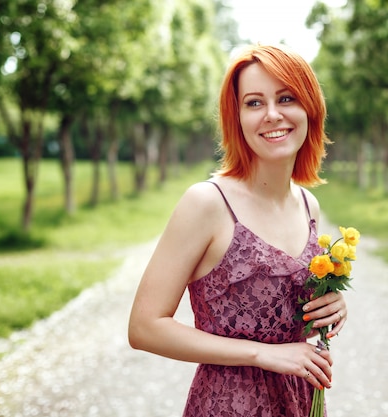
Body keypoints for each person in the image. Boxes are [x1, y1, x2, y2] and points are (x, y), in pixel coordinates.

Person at [128, 44, 348, 417]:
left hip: (298, 401)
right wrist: (264, 355)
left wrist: (330, 309)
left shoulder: (309, 205)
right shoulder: (207, 204)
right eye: (254, 103)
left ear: (310, 108)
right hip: (229, 406)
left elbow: (281, 324)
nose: (272, 114)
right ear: (238, 117)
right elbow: (144, 327)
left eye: (286, 98)